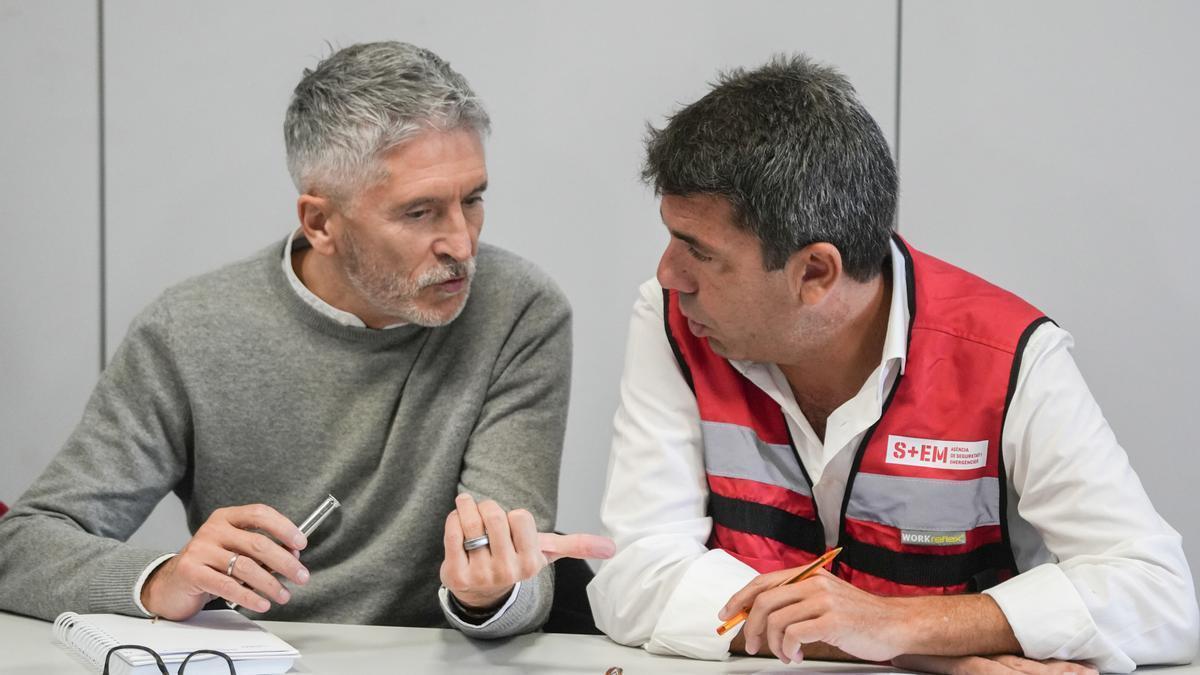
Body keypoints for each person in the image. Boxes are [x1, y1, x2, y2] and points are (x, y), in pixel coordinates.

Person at [587, 54, 1198, 672]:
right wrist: (916, 651)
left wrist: (899, 624)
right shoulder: (674, 319)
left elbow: (1160, 596)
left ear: (815, 272)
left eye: (699, 252)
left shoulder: (1006, 354)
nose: (669, 273)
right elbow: (634, 580)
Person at [0, 41, 612, 638]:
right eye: (419, 212)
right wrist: (161, 579)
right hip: (256, 656)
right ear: (320, 222)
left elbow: (521, 578)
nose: (462, 243)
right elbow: (21, 547)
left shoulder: (518, 310)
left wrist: (490, 594)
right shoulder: (188, 330)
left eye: (472, 200)